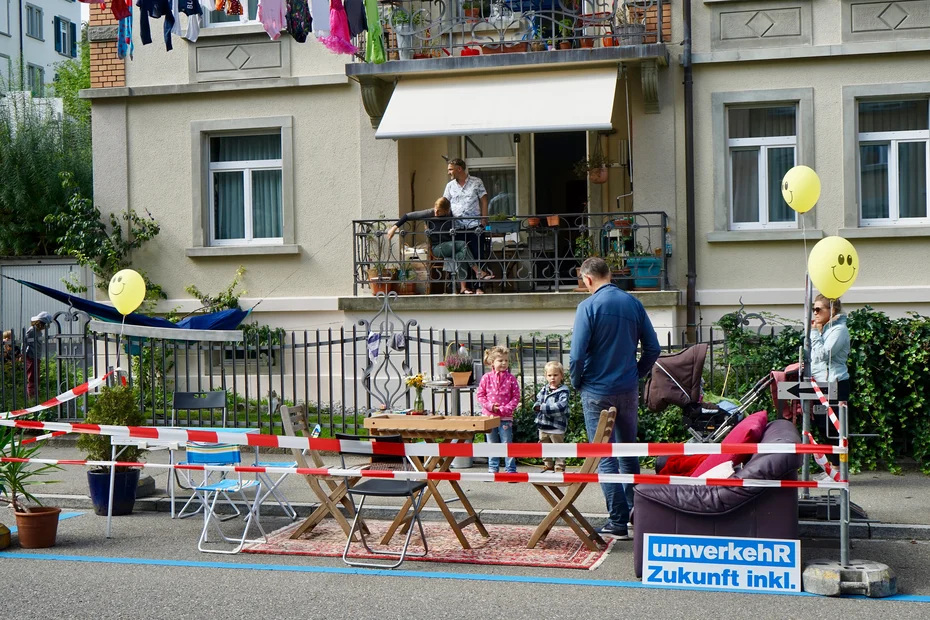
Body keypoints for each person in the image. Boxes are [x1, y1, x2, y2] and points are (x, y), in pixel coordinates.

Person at [569, 257, 660, 540]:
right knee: (628, 452)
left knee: (604, 456)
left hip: (597, 390)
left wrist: (577, 382)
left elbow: (576, 355)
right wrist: (636, 374)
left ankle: (617, 522)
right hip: (627, 388)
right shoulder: (633, 303)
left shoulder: (588, 307)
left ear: (587, 279)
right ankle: (637, 515)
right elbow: (653, 349)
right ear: (609, 275)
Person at [386, 197, 492, 294]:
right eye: (435, 208)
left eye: (439, 211)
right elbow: (407, 216)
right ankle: (478, 272)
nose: (436, 212)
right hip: (438, 248)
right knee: (463, 245)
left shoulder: (450, 215)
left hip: (450, 245)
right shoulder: (429, 213)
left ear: (446, 211)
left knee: (461, 254)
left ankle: (463, 288)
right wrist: (394, 228)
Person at [810, 294, 850, 469]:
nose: (815, 313)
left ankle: (840, 469)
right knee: (821, 424)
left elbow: (825, 354)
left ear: (832, 310)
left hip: (836, 382)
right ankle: (833, 468)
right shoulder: (824, 329)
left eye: (818, 309)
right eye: (813, 309)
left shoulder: (839, 330)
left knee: (835, 427)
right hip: (820, 383)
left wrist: (814, 333)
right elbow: (815, 357)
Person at [443, 158, 493, 294]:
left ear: (459, 169)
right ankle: (465, 287)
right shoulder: (450, 186)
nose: (448, 172)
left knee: (477, 254)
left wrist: (484, 218)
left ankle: (478, 287)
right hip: (457, 227)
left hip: (475, 225)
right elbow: (445, 205)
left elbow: (484, 200)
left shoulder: (476, 182)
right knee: (462, 256)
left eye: (450, 169)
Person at [475, 345, 521, 474]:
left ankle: (510, 469)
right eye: (500, 360)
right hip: (489, 417)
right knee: (492, 443)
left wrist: (507, 408)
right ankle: (493, 468)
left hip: (506, 417)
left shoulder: (511, 379)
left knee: (507, 443)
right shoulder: (486, 378)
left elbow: (516, 396)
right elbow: (480, 395)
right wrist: (490, 406)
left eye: (506, 360)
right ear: (492, 362)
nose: (504, 363)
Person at [534, 360, 570, 473]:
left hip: (556, 426)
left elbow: (560, 407)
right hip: (543, 425)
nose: (552, 378)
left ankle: (559, 466)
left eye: (555, 375)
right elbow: (538, 401)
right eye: (549, 375)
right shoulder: (544, 389)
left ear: (561, 376)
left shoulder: (563, 391)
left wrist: (542, 408)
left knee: (558, 446)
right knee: (544, 446)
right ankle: (548, 464)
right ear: (546, 376)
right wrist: (536, 406)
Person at [24, 311, 52, 400]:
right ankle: (32, 397)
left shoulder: (39, 332)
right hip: (32, 356)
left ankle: (36, 394)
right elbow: (25, 342)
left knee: (36, 378)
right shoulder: (32, 330)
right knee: (32, 378)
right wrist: (22, 354)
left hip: (37, 357)